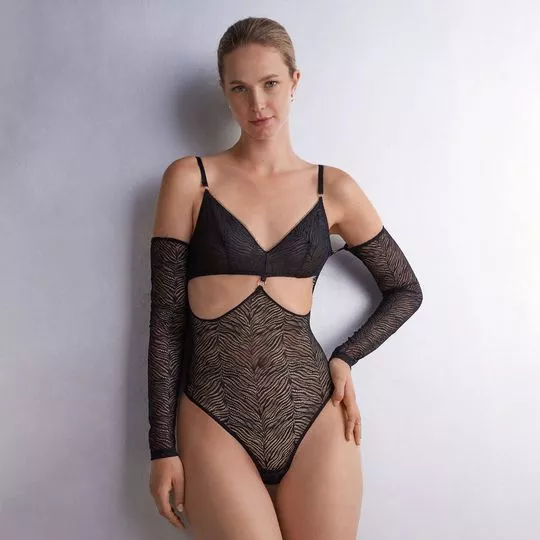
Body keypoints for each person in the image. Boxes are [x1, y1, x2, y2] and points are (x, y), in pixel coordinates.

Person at [146, 16, 423, 539]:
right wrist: (162, 447)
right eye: (240, 88)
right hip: (213, 415)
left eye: (270, 83)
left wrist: (346, 356)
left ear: (294, 81)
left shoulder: (332, 189)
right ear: (225, 92)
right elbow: (166, 320)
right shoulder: (190, 180)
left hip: (317, 415)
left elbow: (405, 289)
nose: (258, 104)